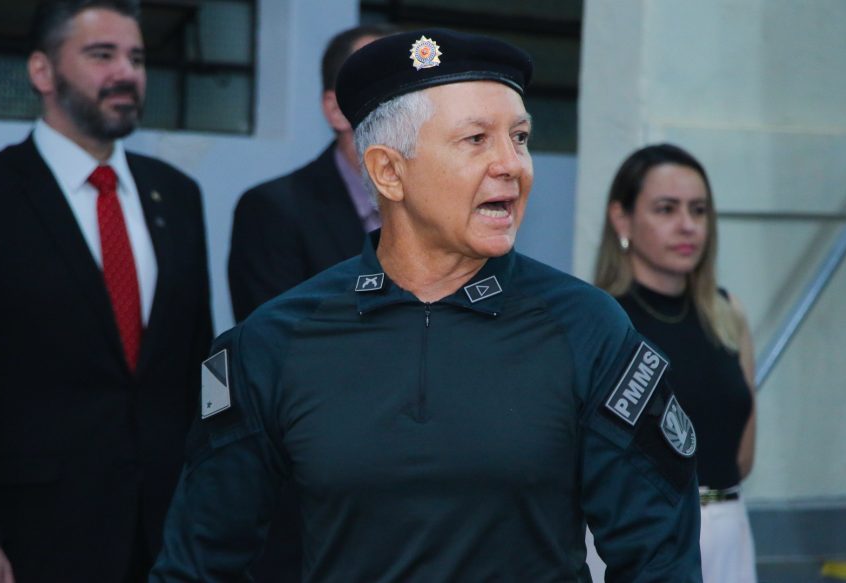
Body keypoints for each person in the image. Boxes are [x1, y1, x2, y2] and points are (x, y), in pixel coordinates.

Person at [152, 29, 702, 582]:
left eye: (520, 137)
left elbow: (659, 557)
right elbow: (198, 564)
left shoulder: (586, 329)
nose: (511, 164)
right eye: (476, 140)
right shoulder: (276, 342)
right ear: (389, 172)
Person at [0, 1, 213, 581]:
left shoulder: (177, 195)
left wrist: (214, 500)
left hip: (167, 533)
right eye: (101, 55)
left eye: (137, 58)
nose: (126, 73)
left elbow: (200, 364)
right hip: (30, 536)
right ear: (42, 71)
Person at [595, 143, 758, 583]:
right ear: (622, 219)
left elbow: (743, 455)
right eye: (666, 209)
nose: (688, 225)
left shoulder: (728, 313)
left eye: (698, 210)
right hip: (643, 535)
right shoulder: (600, 320)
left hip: (729, 527)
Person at [227, 24, 394, 323]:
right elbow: (274, 339)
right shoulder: (273, 211)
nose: (406, 109)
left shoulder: (442, 209)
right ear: (336, 110)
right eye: (387, 89)